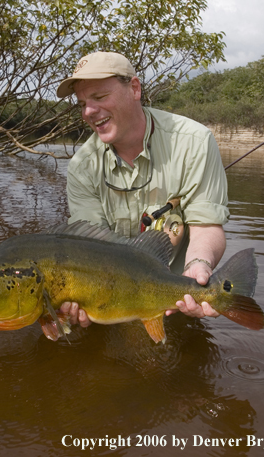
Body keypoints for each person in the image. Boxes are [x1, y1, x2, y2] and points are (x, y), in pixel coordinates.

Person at [56, 51, 229, 329]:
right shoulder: (82, 167)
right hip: (109, 301)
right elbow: (87, 248)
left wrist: (199, 266)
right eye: (83, 103)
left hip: (177, 299)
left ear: (134, 88)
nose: (88, 111)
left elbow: (207, 224)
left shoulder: (195, 141)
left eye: (100, 97)